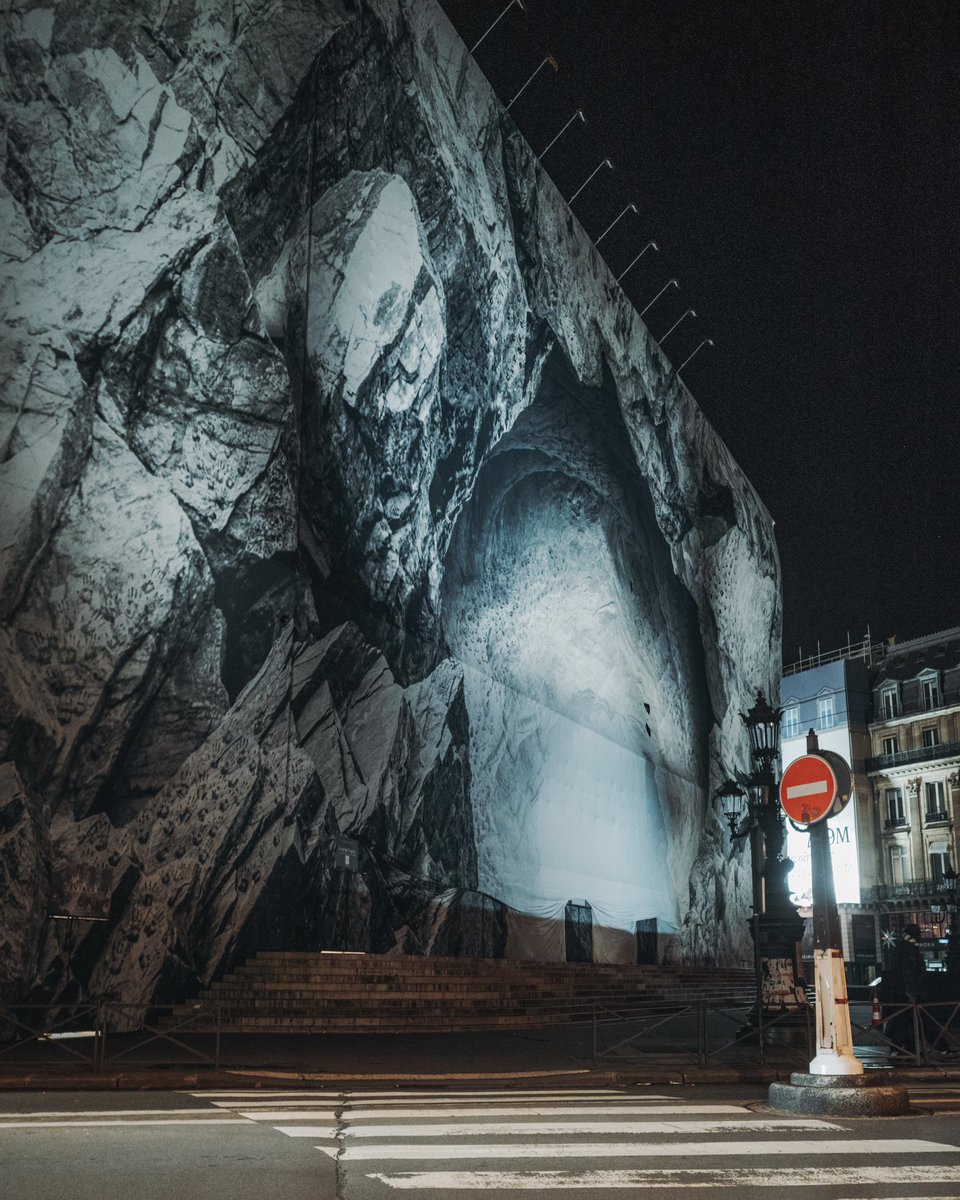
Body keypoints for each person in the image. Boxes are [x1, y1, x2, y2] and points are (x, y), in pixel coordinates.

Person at [882, 923, 926, 1058]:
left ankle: (908, 1050)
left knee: (906, 1022)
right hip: (906, 993)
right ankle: (901, 1049)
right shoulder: (910, 949)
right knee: (906, 1022)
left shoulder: (901, 947)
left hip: (900, 991)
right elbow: (909, 972)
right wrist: (911, 992)